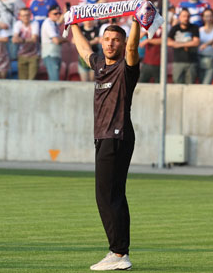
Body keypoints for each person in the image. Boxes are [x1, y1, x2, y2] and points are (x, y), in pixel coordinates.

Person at [71, 17, 141, 273]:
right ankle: (120, 251)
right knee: (114, 195)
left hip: (117, 135)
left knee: (106, 196)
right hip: (104, 137)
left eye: (116, 40)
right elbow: (84, 51)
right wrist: (73, 24)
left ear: (122, 44)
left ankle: (118, 252)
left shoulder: (126, 67)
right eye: (107, 39)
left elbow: (133, 49)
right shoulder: (100, 64)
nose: (111, 44)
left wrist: (136, 23)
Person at [168, 8, 200, 84]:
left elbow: (196, 42)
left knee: (190, 85)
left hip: (191, 62)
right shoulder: (175, 28)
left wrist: (178, 44)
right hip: (177, 61)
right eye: (184, 16)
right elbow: (168, 42)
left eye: (188, 16)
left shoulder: (194, 28)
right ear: (179, 17)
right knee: (176, 83)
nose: (186, 18)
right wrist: (188, 44)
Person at [40, 5, 65, 81]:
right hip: (50, 54)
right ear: (49, 14)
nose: (58, 15)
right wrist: (66, 39)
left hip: (54, 54)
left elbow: (59, 21)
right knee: (54, 79)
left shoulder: (53, 23)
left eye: (59, 13)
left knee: (54, 78)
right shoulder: (48, 23)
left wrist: (64, 13)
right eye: (55, 14)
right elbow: (56, 40)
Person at [198, 8, 213, 84]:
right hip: (200, 57)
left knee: (207, 82)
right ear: (203, 18)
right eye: (206, 16)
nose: (209, 18)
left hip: (211, 58)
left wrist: (206, 44)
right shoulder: (200, 29)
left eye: (210, 16)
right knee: (201, 82)